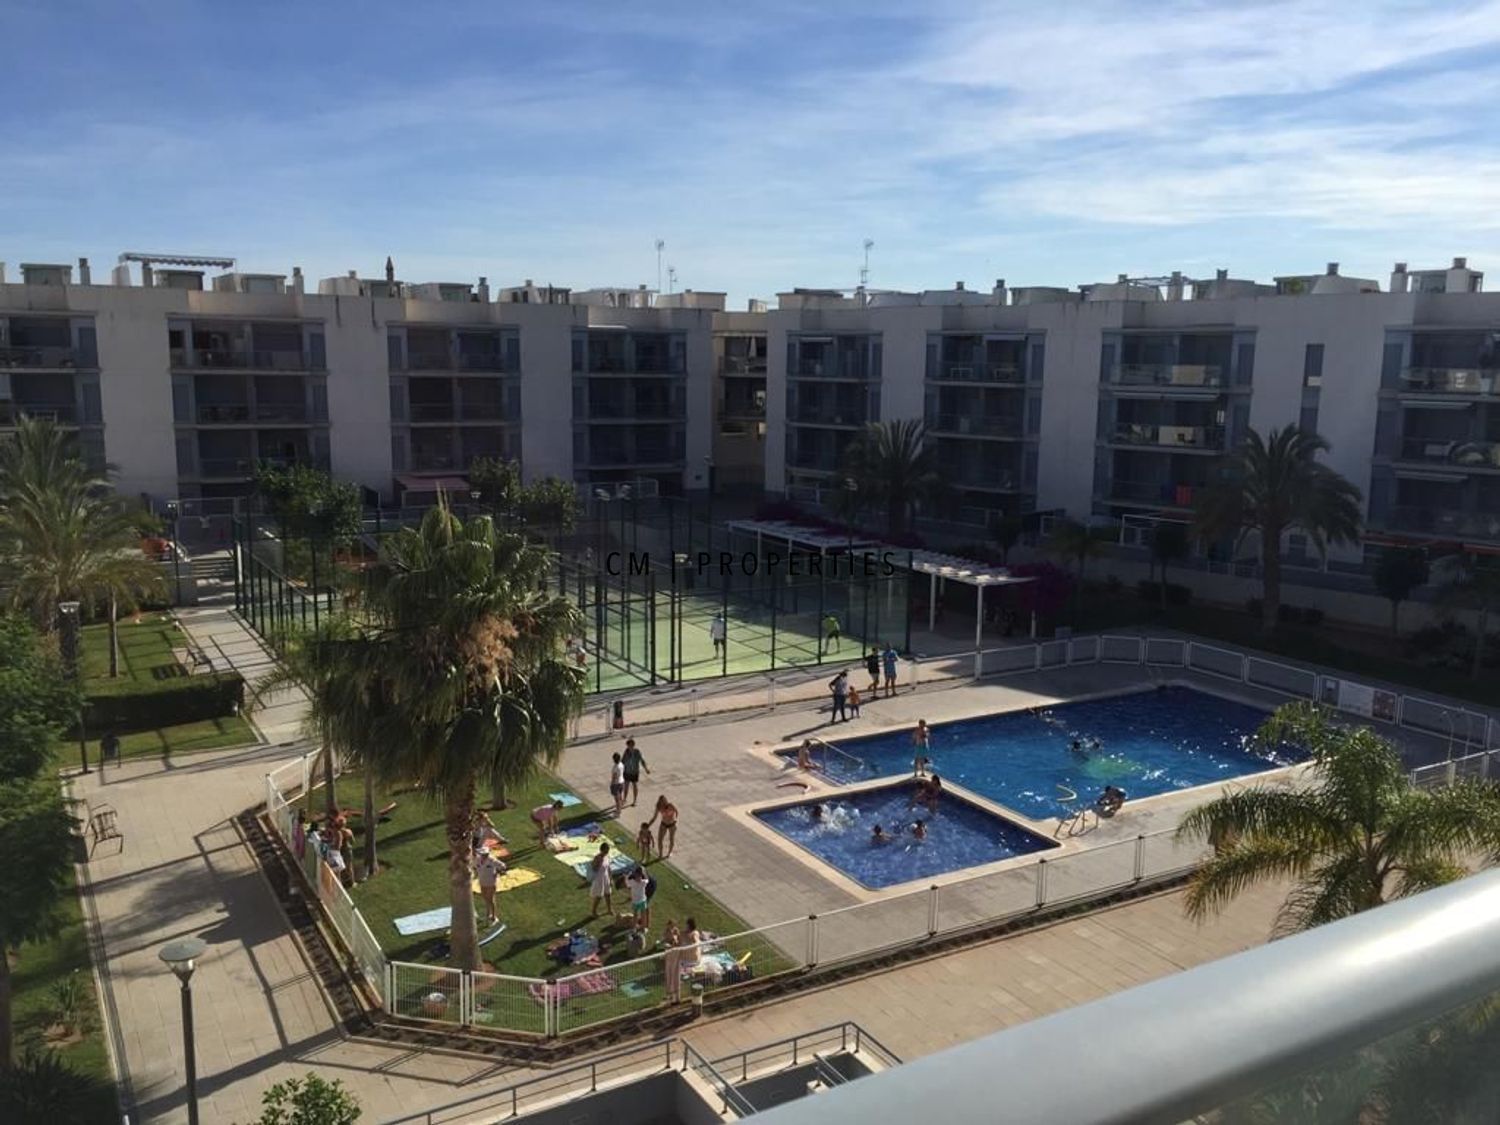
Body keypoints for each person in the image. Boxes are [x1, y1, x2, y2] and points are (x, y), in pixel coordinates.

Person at [475, 847, 507, 926]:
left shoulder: (492, 860)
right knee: (486, 898)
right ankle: (488, 914)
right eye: (483, 854)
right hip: (482, 882)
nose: (484, 855)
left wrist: (497, 873)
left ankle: (494, 917)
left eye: (485, 854)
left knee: (491, 899)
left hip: (491, 882)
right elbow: (473, 866)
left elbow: (503, 866)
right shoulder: (477, 859)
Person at [621, 738, 651, 808]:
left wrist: (646, 769)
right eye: (628, 746)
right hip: (627, 771)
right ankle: (625, 799)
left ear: (633, 745)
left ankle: (635, 800)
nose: (628, 747)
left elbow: (642, 761)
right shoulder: (626, 751)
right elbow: (623, 761)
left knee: (634, 785)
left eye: (630, 746)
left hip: (634, 771)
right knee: (626, 785)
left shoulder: (637, 752)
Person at [649, 794, 679, 859]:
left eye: (664, 801)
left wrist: (675, 818)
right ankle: (660, 854)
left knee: (671, 839)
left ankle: (669, 852)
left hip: (672, 824)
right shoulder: (658, 807)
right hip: (663, 824)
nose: (663, 803)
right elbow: (654, 817)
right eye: (661, 802)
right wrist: (649, 825)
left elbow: (676, 811)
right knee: (660, 839)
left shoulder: (670, 805)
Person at [589, 842, 615, 917]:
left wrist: (611, 879)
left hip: (606, 877)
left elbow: (608, 868)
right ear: (602, 850)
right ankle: (593, 911)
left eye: (608, 850)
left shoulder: (607, 857)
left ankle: (609, 909)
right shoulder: (597, 857)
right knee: (599, 896)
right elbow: (594, 868)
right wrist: (599, 863)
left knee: (608, 894)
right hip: (599, 879)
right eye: (606, 850)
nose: (607, 852)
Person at [663, 920, 684, 1002]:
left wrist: (675, 941)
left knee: (675, 973)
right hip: (669, 955)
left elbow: (679, 942)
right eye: (670, 926)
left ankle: (676, 994)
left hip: (675, 954)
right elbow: (665, 941)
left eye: (672, 926)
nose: (671, 927)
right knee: (669, 973)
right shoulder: (666, 932)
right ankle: (670, 993)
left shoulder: (676, 931)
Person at [609, 752, 626, 818]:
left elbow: (614, 777)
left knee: (617, 800)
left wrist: (611, 784)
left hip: (616, 784)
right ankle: (620, 809)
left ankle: (618, 813)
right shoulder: (621, 764)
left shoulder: (615, 767)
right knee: (620, 797)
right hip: (622, 782)